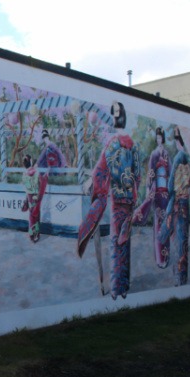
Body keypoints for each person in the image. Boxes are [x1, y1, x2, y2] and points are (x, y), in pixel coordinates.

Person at [77, 101, 141, 300]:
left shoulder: (112, 144)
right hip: (128, 199)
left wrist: (91, 183)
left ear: (115, 119)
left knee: (115, 241)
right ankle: (124, 285)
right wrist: (133, 194)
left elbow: (101, 169)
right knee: (125, 239)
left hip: (116, 200)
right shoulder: (134, 146)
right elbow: (138, 174)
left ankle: (116, 288)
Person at [159, 127, 190, 286]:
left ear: (177, 141)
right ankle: (182, 277)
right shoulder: (187, 158)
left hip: (178, 202)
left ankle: (179, 278)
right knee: (183, 241)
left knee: (177, 239)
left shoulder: (179, 157)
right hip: (186, 203)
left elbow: (170, 182)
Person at [132, 127, 171, 269]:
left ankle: (166, 256)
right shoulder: (154, 154)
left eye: (161, 137)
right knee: (158, 223)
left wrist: (171, 190)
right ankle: (160, 258)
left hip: (166, 192)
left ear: (163, 138)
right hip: (157, 192)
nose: (159, 139)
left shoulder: (166, 154)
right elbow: (150, 173)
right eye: (157, 137)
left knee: (166, 222)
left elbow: (170, 174)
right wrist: (149, 189)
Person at [21, 154, 44, 242]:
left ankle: (31, 234)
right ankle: (36, 235)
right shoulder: (36, 172)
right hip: (36, 196)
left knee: (31, 216)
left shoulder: (24, 174)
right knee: (37, 216)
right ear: (30, 161)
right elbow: (40, 184)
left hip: (29, 197)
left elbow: (26, 188)